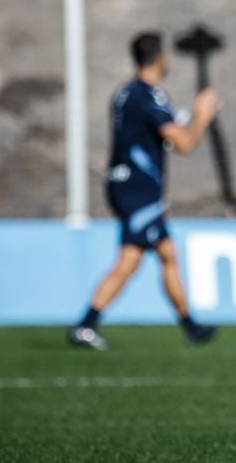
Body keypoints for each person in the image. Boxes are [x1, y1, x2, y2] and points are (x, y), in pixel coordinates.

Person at [67, 31, 221, 351]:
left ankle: (191, 327)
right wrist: (202, 118)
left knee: (167, 253)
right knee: (130, 259)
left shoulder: (124, 93)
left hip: (123, 183)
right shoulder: (151, 96)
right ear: (160, 58)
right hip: (140, 189)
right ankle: (86, 325)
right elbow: (183, 143)